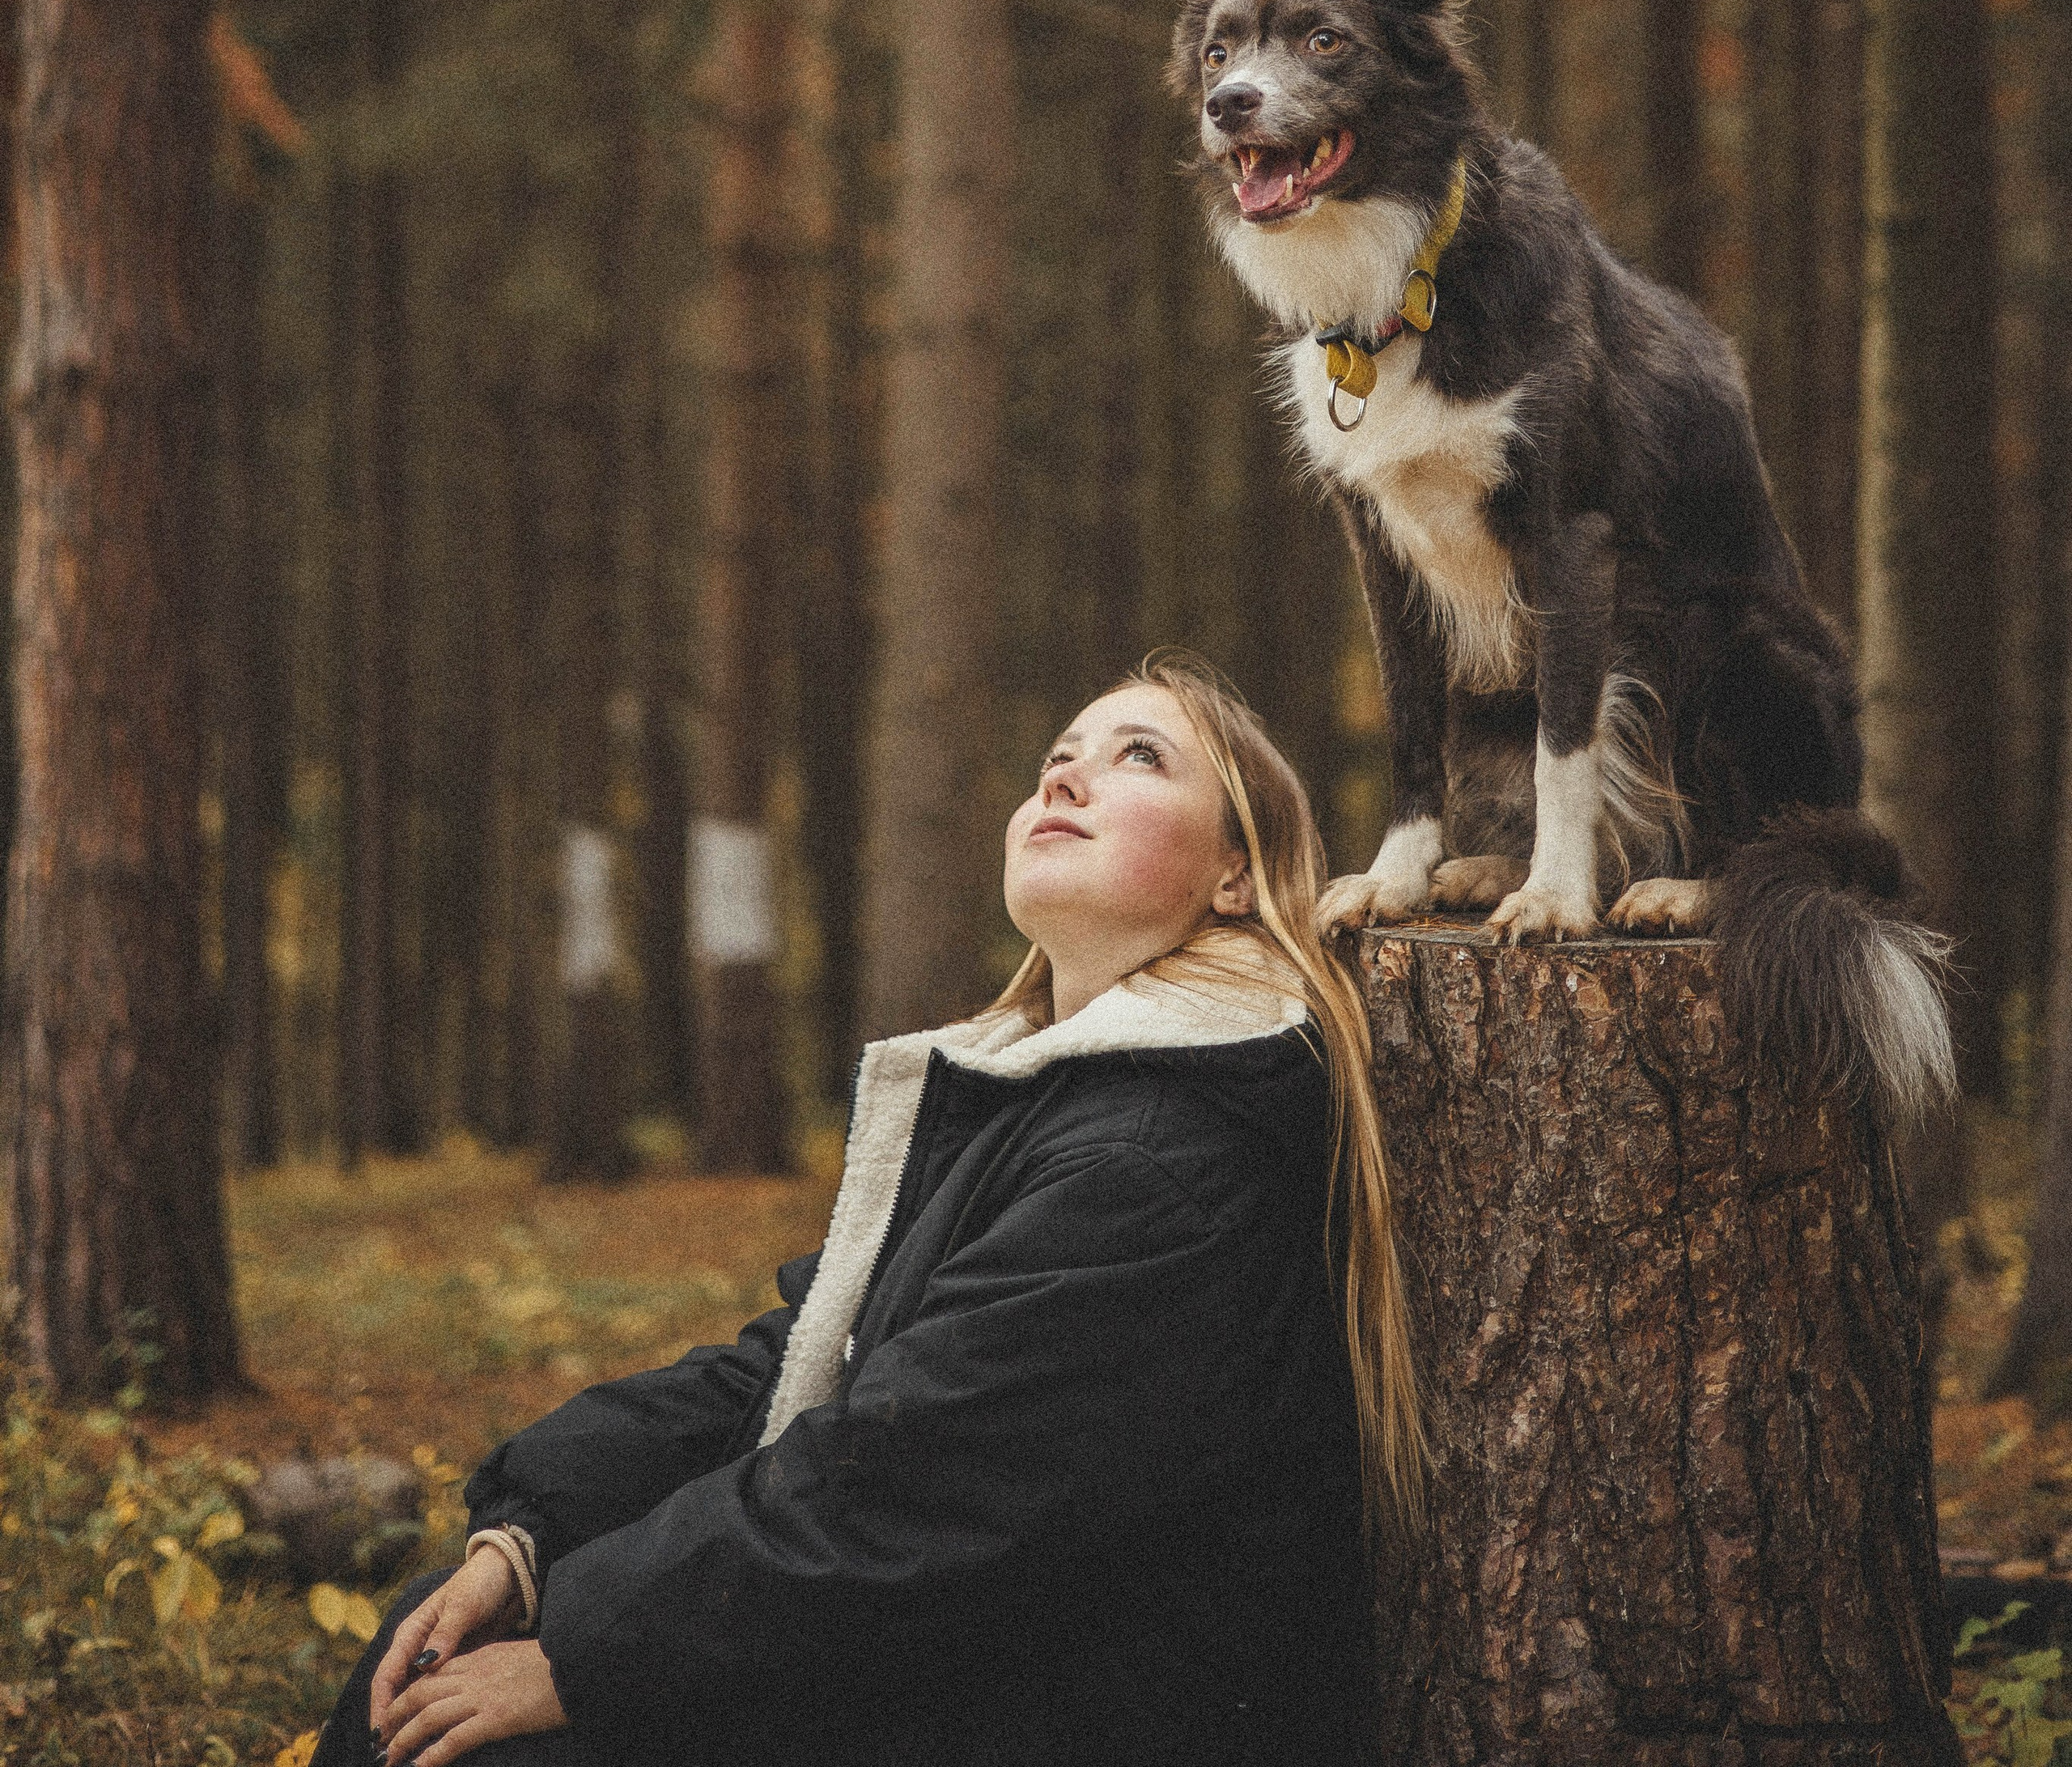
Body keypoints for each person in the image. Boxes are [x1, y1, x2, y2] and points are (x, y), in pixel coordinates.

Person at [316, 652, 1420, 1767]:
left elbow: (908, 1490)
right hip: (965, 1647)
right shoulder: (1040, 1098)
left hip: (1073, 1710)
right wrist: (530, 1538)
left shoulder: (1161, 1157)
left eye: (1141, 758)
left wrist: (580, 1656)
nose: (1067, 781)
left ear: (1236, 877)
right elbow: (803, 1356)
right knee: (423, 1652)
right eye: (1058, 756)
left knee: (466, 1743)